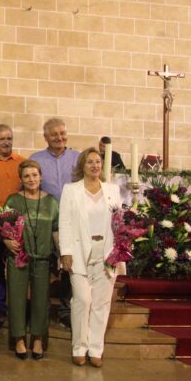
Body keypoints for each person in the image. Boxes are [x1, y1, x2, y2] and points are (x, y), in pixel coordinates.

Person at [59, 148, 124, 368]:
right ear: (82, 166)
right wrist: (65, 252)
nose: (95, 165)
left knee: (101, 304)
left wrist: (123, 245)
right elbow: (65, 222)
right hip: (78, 253)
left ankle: (96, 349)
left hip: (107, 252)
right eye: (90, 162)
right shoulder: (71, 190)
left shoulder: (112, 190)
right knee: (82, 300)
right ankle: (79, 347)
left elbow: (120, 223)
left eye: (98, 162)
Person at [3, 159, 59, 360]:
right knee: (17, 299)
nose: (31, 179)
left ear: (41, 176)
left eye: (34, 175)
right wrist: (7, 241)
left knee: (40, 300)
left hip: (43, 258)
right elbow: (4, 227)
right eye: (26, 176)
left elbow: (56, 230)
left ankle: (37, 339)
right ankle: (18, 339)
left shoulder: (51, 202)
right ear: (21, 179)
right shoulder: (13, 200)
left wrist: (62, 255)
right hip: (18, 257)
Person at [30, 118, 79, 329]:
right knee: (44, 264)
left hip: (72, 220)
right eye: (54, 135)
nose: (59, 138)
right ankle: (40, 308)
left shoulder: (78, 158)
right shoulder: (36, 159)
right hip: (44, 221)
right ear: (45, 137)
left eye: (62, 133)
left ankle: (66, 309)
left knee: (71, 265)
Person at [0, 124, 25, 331]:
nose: (6, 142)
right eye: (2, 139)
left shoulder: (22, 163)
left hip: (19, 223)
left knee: (19, 266)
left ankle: (19, 308)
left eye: (9, 138)